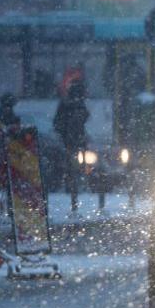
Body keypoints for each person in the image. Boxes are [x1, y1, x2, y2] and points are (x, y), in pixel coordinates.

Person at [54, 82, 89, 212]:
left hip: (71, 141)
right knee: (74, 168)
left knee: (72, 168)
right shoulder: (77, 105)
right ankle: (74, 192)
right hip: (75, 141)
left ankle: (73, 190)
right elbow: (85, 117)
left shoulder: (68, 105)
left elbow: (58, 123)